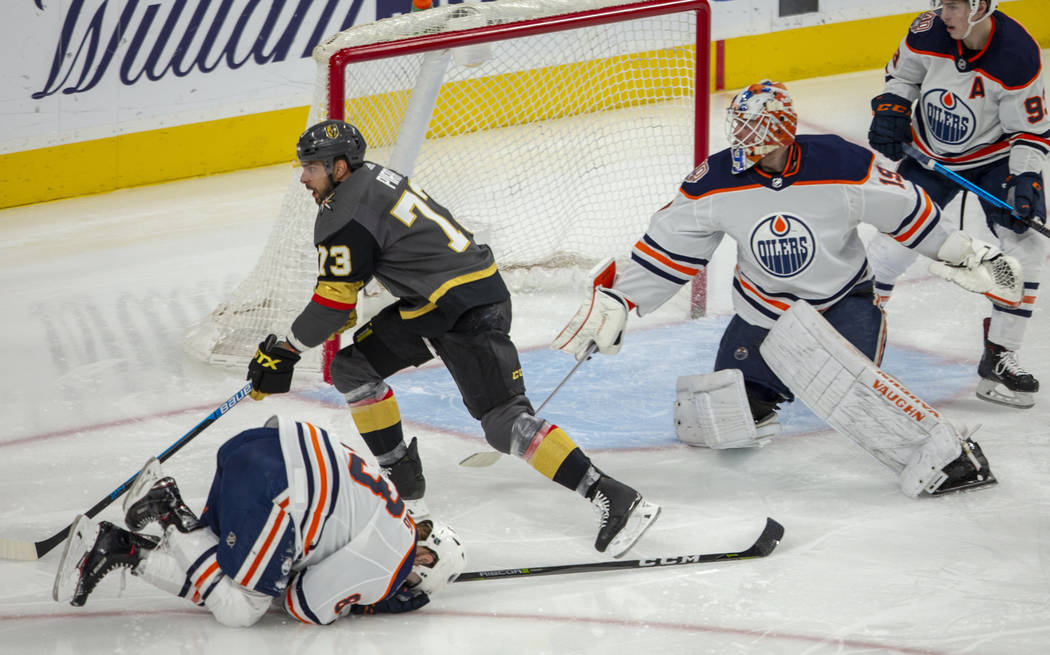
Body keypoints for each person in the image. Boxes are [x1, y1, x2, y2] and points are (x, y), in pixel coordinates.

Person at [553, 80, 1022, 497]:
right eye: (739, 125)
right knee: (719, 419)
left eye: (753, 127)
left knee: (855, 395)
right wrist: (623, 299)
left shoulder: (842, 164)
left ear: (780, 129)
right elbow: (670, 249)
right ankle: (763, 391)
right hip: (764, 313)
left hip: (841, 305)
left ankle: (950, 457)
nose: (742, 135)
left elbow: (907, 209)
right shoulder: (715, 181)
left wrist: (963, 252)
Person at [243, 120, 659, 559]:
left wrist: (286, 349)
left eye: (312, 168)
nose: (304, 178)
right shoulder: (370, 180)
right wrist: (297, 342)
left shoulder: (344, 214)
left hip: (464, 311)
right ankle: (404, 483)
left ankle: (614, 496)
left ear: (340, 167)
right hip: (437, 304)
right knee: (353, 368)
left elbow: (333, 307)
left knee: (504, 424)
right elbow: (343, 304)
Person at [52, 416, 467, 626]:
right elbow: (305, 607)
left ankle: (120, 549)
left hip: (258, 446)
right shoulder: (390, 567)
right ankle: (166, 506)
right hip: (281, 490)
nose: (407, 584)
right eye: (415, 581)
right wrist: (363, 603)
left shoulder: (395, 513)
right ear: (424, 560)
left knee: (224, 571)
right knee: (242, 608)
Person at [866, 0, 1049, 408]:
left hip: (993, 160)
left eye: (952, 5)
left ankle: (1000, 354)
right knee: (891, 246)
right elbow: (902, 76)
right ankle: (855, 339)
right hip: (929, 156)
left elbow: (1029, 132)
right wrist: (893, 108)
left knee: (1028, 248)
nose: (943, 14)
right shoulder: (926, 31)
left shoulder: (1017, 54)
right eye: (940, 3)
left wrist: (1025, 179)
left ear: (982, 5)